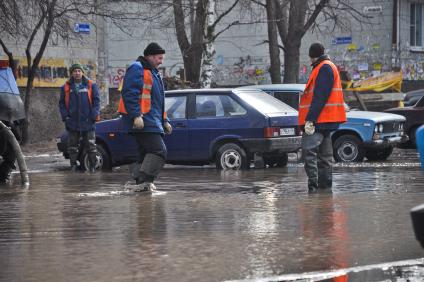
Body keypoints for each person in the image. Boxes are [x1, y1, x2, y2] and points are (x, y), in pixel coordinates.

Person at [118, 42, 172, 192]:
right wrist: (136, 116)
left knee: (144, 153)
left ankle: (139, 185)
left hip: (151, 120)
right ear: (151, 56)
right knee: (159, 151)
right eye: (159, 58)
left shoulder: (154, 72)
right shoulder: (137, 68)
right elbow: (129, 94)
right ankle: (145, 181)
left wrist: (165, 120)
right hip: (143, 120)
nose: (161, 61)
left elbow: (158, 101)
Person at [299, 43, 347, 192]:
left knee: (309, 153)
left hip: (319, 121)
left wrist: (310, 120)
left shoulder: (323, 68)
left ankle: (314, 189)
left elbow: (320, 97)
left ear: (312, 56)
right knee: (325, 157)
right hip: (326, 121)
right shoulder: (328, 66)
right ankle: (325, 193)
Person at [59, 63, 100, 173]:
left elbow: (97, 102)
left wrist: (93, 116)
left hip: (88, 121)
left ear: (82, 72)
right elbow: (61, 104)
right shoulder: (66, 87)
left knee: (91, 145)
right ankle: (73, 166)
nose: (77, 73)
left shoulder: (91, 85)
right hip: (72, 121)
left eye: (79, 71)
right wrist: (66, 117)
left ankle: (92, 167)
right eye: (74, 71)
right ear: (71, 73)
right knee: (72, 146)